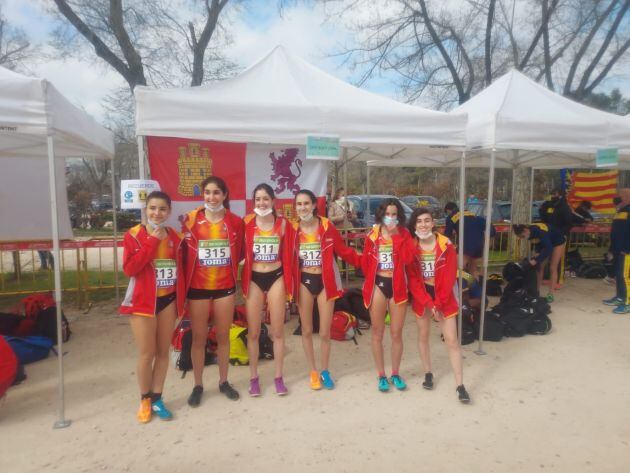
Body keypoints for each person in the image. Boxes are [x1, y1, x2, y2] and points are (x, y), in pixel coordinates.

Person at [120, 191, 185, 423]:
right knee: (147, 354)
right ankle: (145, 399)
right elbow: (130, 269)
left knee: (163, 352)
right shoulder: (134, 235)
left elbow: (181, 267)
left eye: (162, 209)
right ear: (146, 210)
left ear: (169, 211)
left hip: (167, 300)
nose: (157, 213)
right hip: (142, 303)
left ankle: (158, 398)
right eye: (152, 208)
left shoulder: (175, 237)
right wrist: (153, 241)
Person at [288, 189, 361, 390]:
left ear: (314, 205)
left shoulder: (327, 226)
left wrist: (366, 261)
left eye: (306, 203)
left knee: (324, 332)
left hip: (325, 282)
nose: (302, 207)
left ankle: (325, 371)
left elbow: (344, 251)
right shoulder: (292, 229)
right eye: (299, 204)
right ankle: (313, 371)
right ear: (295, 207)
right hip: (304, 281)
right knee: (306, 329)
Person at [181, 176, 244, 407]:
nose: (211, 197)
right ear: (203, 195)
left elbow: (241, 253)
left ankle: (224, 381)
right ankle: (197, 385)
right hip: (197, 288)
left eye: (216, 192)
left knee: (223, 336)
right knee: (198, 338)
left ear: (224, 195)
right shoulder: (190, 220)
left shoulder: (235, 222)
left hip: (224, 288)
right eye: (207, 192)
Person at [406, 207, 470, 403]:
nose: (423, 224)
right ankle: (428, 373)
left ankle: (460, 385)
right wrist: (427, 302)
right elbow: (413, 279)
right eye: (419, 221)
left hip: (444, 295)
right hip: (422, 295)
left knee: (451, 340)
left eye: (427, 220)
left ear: (433, 223)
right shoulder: (411, 246)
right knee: (423, 335)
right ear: (414, 225)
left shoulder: (446, 244)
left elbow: (450, 276)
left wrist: (438, 303)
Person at [241, 184, 293, 396]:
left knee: (278, 331)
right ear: (253, 203)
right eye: (257, 199)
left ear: (273, 201)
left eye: (265, 199)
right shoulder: (246, 224)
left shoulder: (282, 224)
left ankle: (278, 377)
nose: (261, 203)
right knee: (253, 332)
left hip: (276, 277)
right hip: (254, 278)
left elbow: (289, 254)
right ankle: (254, 378)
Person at [361, 198, 415, 392]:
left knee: (396, 333)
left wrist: (395, 237)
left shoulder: (405, 234)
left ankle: (395, 373)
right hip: (379, 285)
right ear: (381, 215)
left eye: (394, 214)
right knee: (377, 332)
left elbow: (409, 259)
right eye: (387, 214)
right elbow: (366, 265)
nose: (390, 218)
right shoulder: (373, 235)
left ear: (399, 216)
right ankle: (381, 375)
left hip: (398, 287)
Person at [512, 223, 566, 302]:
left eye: (522, 236)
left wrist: (536, 260)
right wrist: (537, 254)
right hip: (546, 242)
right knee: (539, 267)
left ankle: (550, 294)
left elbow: (549, 248)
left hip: (557, 241)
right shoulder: (530, 232)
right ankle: (536, 291)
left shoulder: (539, 232)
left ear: (526, 230)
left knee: (552, 267)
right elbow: (538, 243)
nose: (523, 238)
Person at [443, 202, 495, 283]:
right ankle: (476, 288)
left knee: (457, 269)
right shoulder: (471, 214)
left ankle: (463, 289)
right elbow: (488, 225)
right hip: (479, 244)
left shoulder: (451, 216)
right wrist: (491, 238)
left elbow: (446, 236)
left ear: (448, 210)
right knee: (473, 269)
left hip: (466, 246)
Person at [602, 188, 630, 314]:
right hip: (617, 249)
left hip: (626, 250)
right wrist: (612, 249)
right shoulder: (620, 210)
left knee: (625, 276)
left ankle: (627, 303)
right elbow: (616, 231)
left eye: (621, 195)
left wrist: (627, 248)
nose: (618, 197)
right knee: (619, 275)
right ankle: (620, 297)